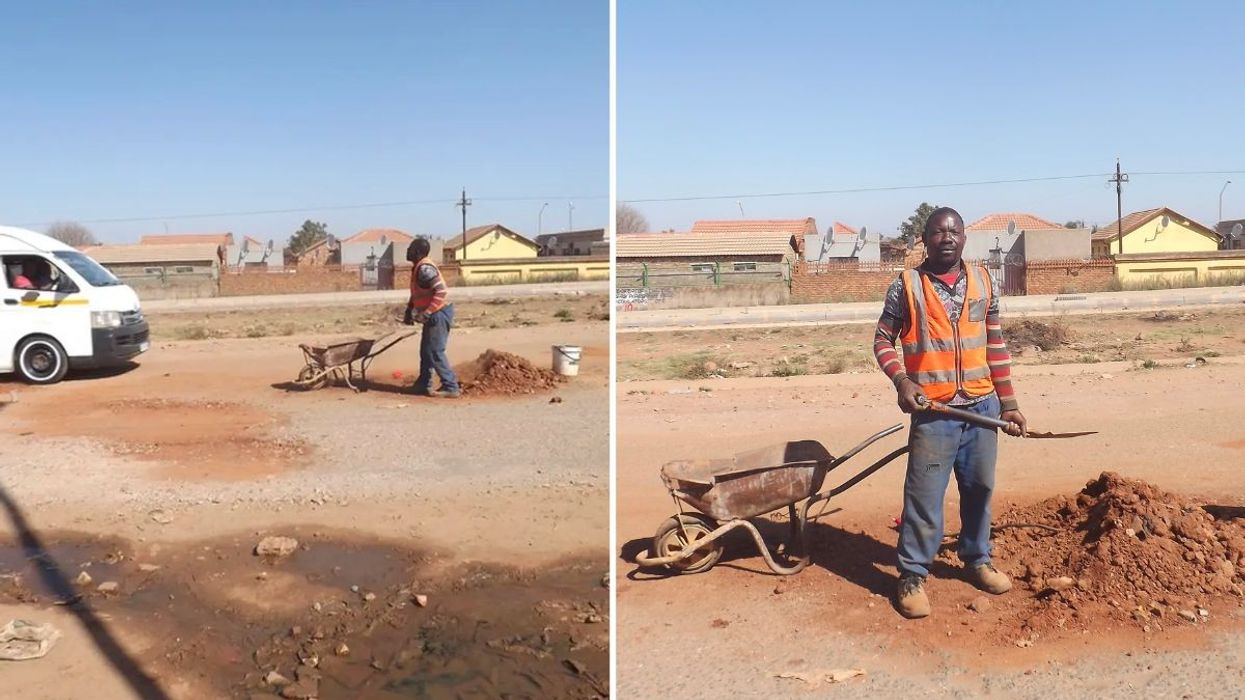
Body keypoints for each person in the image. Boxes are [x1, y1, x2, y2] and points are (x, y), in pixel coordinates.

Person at [873, 206, 1027, 619]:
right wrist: (903, 382)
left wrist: (1009, 403)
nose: (947, 237)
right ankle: (911, 574)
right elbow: (882, 342)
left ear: (964, 238)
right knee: (924, 497)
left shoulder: (983, 281)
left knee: (979, 489)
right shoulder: (905, 285)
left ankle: (977, 559)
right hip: (935, 411)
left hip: (982, 408)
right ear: (924, 238)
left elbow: (995, 345)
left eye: (955, 231)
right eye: (938, 231)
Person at [403, 237, 460, 398]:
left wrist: (427, 312)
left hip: (439, 313)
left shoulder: (425, 269)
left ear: (418, 252)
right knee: (426, 351)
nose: (407, 251)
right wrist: (409, 309)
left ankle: (451, 386)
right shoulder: (418, 267)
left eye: (410, 248)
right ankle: (423, 384)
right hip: (433, 314)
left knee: (435, 351)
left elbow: (441, 292)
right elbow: (417, 293)